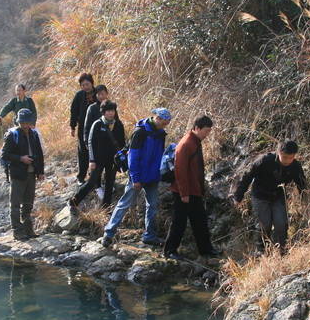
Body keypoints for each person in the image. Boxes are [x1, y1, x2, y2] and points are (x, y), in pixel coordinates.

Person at [101, 108, 171, 248]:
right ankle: (108, 234)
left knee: (152, 207)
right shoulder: (140, 132)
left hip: (153, 177)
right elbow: (133, 156)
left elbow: (160, 155)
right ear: (156, 118)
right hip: (138, 176)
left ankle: (149, 236)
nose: (164, 126)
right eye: (163, 123)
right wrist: (135, 178)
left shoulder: (161, 133)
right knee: (124, 204)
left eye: (166, 124)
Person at [233, 139, 307, 254]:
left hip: (278, 197)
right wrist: (238, 196)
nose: (288, 160)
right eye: (285, 157)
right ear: (278, 152)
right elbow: (248, 176)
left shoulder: (295, 166)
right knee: (264, 224)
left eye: (291, 157)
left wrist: (305, 201)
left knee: (281, 223)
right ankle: (261, 251)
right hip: (260, 195)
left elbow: (302, 184)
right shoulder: (265, 160)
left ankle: (280, 250)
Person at [163, 115, 220, 260]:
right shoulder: (186, 143)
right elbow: (179, 170)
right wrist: (184, 193)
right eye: (206, 131)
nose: (207, 134)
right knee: (179, 221)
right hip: (184, 191)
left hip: (193, 190)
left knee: (199, 220)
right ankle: (170, 251)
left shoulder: (195, 142)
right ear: (196, 128)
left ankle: (206, 249)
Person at [70, 100, 125, 211]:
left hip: (112, 160)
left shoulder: (118, 124)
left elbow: (122, 143)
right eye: (108, 111)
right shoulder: (97, 124)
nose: (111, 113)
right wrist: (92, 160)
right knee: (92, 181)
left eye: (113, 111)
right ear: (103, 112)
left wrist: (122, 159)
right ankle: (74, 202)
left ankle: (106, 208)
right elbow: (91, 142)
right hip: (99, 159)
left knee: (109, 184)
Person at [1, 108, 45, 241]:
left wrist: (40, 172)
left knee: (28, 203)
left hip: (31, 173)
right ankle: (17, 231)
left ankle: (28, 229)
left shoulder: (34, 135)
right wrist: (21, 158)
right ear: (18, 122)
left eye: (27, 123)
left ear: (31, 122)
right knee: (15, 204)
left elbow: (39, 154)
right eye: (22, 123)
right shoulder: (12, 135)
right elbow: (5, 155)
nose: (25, 125)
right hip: (17, 173)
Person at [69, 72, 96, 183]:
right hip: (83, 127)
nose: (85, 87)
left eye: (87, 84)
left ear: (91, 83)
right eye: (83, 85)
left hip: (96, 127)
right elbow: (74, 111)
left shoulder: (98, 92)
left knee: (96, 150)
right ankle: (81, 176)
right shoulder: (79, 95)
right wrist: (72, 126)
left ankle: (94, 175)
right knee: (83, 151)